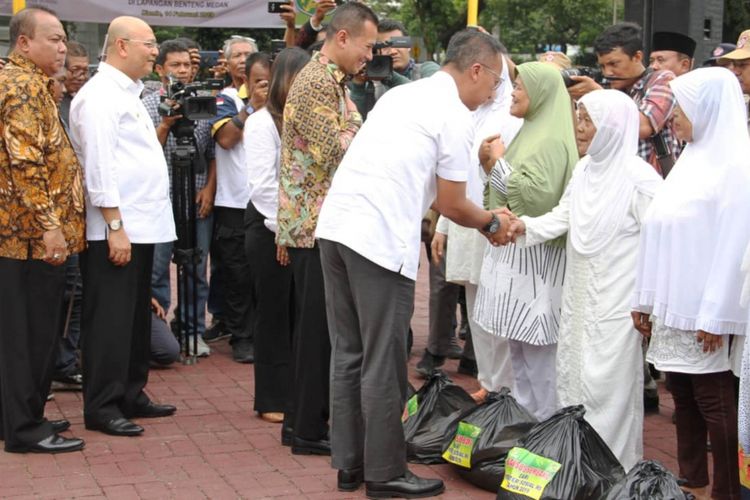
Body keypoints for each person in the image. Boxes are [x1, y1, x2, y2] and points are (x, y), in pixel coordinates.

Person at [316, 28, 509, 498]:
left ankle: (351, 464)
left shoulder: (403, 96)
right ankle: (384, 473)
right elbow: (452, 202)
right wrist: (492, 223)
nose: (495, 92)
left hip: (337, 227)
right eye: (496, 81)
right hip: (378, 239)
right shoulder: (454, 115)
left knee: (348, 351)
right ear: (476, 69)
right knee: (382, 358)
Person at [506, 90, 662, 470]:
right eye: (578, 117)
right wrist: (520, 225)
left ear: (611, 126)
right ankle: (576, 462)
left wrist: (648, 300)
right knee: (573, 374)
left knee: (609, 384)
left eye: (588, 120)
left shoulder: (641, 178)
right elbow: (563, 216)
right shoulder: (585, 169)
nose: (579, 127)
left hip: (618, 301)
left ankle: (613, 467)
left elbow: (661, 241)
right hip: (578, 294)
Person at [632, 67, 750, 500]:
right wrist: (644, 299)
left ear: (708, 109)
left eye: (681, 107)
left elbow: (734, 248)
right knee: (680, 391)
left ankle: (725, 490)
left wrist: (716, 314)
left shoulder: (737, 167)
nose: (673, 116)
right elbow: (657, 228)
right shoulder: (688, 162)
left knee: (713, 399)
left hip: (703, 307)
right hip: (672, 301)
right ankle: (692, 478)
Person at [276, 2, 378, 457]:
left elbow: (354, 132)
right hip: (313, 227)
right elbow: (340, 151)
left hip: (318, 224)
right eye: (367, 45)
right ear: (342, 38)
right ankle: (308, 430)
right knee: (318, 331)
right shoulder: (317, 81)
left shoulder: (333, 82)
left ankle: (302, 421)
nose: (370, 55)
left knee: (315, 329)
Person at [70, 15, 177, 437]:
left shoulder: (130, 93)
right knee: (110, 320)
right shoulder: (99, 96)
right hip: (117, 227)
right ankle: (103, 405)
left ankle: (132, 392)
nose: (155, 51)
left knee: (133, 317)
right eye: (149, 44)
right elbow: (99, 167)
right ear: (121, 46)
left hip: (143, 225)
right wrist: (114, 224)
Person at [0, 6, 86, 454]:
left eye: (62, 38)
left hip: (24, 234)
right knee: (30, 336)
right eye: (52, 38)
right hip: (30, 238)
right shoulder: (21, 88)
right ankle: (25, 428)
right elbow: (24, 163)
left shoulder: (30, 84)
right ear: (23, 43)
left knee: (24, 334)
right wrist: (50, 227)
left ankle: (18, 414)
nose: (61, 47)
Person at [474, 62, 578, 421]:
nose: (514, 92)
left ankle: (546, 424)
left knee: (537, 351)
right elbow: (507, 192)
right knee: (518, 346)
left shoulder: (551, 139)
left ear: (543, 93)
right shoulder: (528, 131)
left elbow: (536, 199)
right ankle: (525, 420)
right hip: (516, 258)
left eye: (521, 86)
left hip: (537, 259)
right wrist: (491, 168)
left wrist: (498, 164)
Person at [432, 48, 522, 402]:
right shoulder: (469, 112)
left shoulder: (511, 118)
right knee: (476, 306)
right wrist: (443, 225)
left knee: (497, 305)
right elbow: (455, 174)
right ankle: (488, 380)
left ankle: (504, 387)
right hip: (465, 220)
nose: (501, 87)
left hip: (494, 222)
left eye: (502, 81)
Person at [243, 47, 311, 425]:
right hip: (270, 226)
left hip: (299, 228)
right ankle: (271, 395)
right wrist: (284, 230)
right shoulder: (261, 123)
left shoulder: (304, 120)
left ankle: (299, 391)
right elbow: (263, 186)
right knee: (273, 313)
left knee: (300, 312)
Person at [143, 39, 216, 359]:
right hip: (159, 199)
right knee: (157, 271)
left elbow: (214, 153)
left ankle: (192, 331)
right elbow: (144, 153)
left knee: (196, 268)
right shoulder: (146, 104)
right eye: (175, 65)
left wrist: (209, 189)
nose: (183, 71)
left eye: (187, 65)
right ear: (160, 70)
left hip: (196, 195)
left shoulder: (203, 102)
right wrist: (165, 124)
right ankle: (158, 335)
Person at [209, 46, 270, 363]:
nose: (264, 86)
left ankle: (263, 334)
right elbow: (226, 139)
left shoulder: (281, 106)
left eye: (269, 81)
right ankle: (241, 337)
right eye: (258, 80)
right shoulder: (226, 100)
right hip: (234, 201)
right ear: (245, 79)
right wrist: (251, 107)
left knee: (265, 272)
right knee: (238, 273)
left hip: (268, 201)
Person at [567, 22, 678, 177]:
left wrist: (599, 96)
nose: (608, 72)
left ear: (637, 57)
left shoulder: (663, 79)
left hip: (650, 186)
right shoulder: (606, 86)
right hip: (613, 182)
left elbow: (643, 127)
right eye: (603, 66)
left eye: (613, 64)